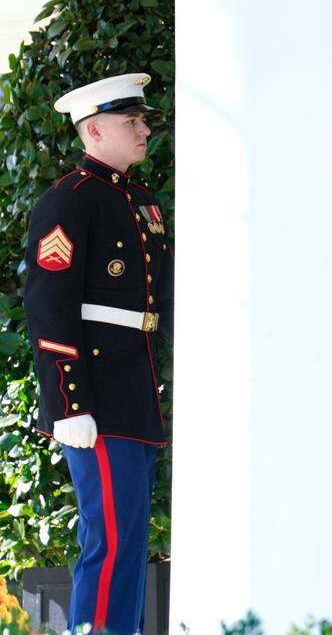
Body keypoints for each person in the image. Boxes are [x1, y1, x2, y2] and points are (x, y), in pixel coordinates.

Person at [23, 72, 172, 633]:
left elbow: (163, 299)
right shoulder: (69, 200)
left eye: (142, 119)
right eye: (131, 121)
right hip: (96, 399)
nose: (144, 128)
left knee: (130, 543)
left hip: (135, 391)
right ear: (93, 129)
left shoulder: (141, 202)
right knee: (108, 540)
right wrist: (68, 402)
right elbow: (50, 307)